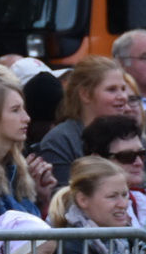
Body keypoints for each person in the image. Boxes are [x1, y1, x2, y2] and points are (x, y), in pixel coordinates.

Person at [37, 57, 133, 194]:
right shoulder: (61, 140)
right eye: (112, 89)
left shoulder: (132, 135)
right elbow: (63, 198)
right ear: (85, 94)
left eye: (123, 89)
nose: (123, 96)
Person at [80, 114, 146, 226]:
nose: (138, 162)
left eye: (142, 154)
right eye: (127, 156)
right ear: (98, 159)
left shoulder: (139, 200)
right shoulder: (75, 207)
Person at [0, 84, 54, 217]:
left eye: (24, 109)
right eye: (15, 110)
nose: (27, 118)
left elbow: (33, 232)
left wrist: (40, 198)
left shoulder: (16, 170)